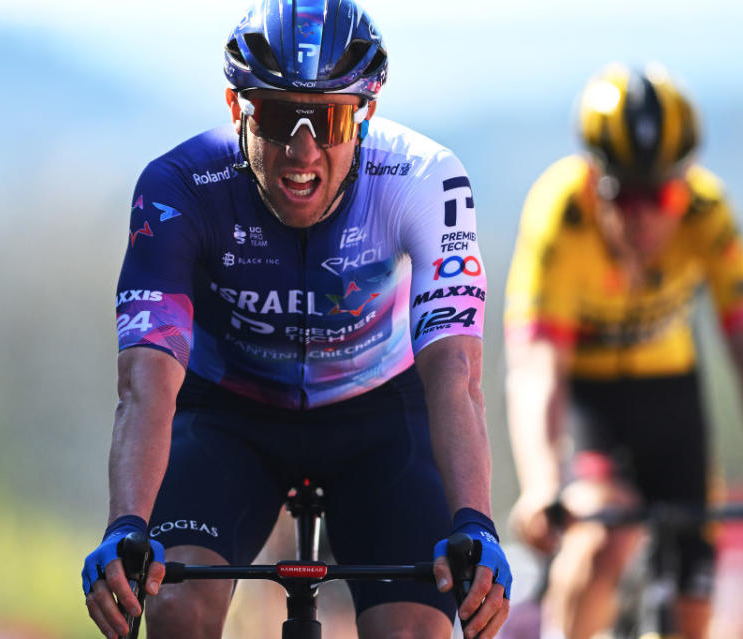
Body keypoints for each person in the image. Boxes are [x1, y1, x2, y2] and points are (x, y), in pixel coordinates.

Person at [81, 1, 512, 637]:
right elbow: (146, 383)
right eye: (280, 115)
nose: (302, 149)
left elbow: (454, 371)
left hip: (378, 419)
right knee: (174, 608)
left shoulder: (423, 177)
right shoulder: (179, 187)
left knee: (416, 632)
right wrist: (126, 527)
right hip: (230, 416)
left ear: (365, 114)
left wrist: (476, 522)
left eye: (330, 119)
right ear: (238, 108)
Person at [503, 62, 743, 639]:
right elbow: (536, 367)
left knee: (692, 596)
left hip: (672, 396)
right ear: (595, 180)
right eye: (623, 195)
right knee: (600, 540)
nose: (643, 216)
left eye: (662, 194)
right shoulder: (561, 214)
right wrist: (543, 482)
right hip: (592, 401)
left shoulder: (706, 211)